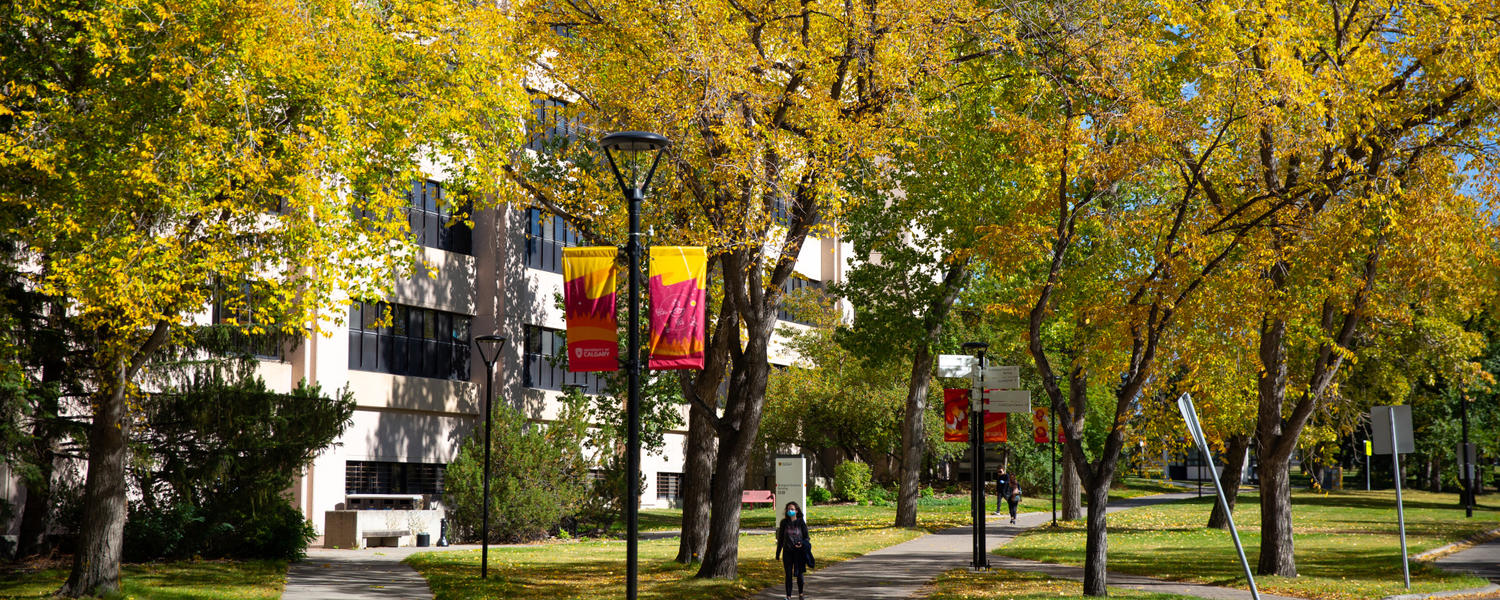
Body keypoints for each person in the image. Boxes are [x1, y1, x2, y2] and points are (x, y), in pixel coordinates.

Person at [775, 501, 812, 600]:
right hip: (787, 552)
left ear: (796, 511)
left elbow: (807, 538)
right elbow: (781, 539)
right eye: (788, 509)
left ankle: (800, 594)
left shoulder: (801, 522)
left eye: (792, 509)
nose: (790, 511)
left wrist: (801, 543)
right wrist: (777, 553)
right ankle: (788, 596)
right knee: (788, 574)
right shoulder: (784, 523)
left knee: (799, 574)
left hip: (798, 552)